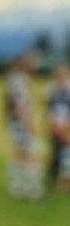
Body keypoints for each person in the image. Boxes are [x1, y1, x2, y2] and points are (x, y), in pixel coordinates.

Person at [4, 54, 43, 201]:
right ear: (24, 66)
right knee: (35, 155)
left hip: (15, 126)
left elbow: (7, 106)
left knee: (19, 156)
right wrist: (29, 125)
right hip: (22, 127)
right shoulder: (20, 83)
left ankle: (17, 188)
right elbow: (21, 107)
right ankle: (33, 190)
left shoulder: (12, 81)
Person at [46, 62, 70, 194]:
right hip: (56, 126)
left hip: (66, 126)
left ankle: (64, 183)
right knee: (57, 155)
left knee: (65, 155)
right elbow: (52, 111)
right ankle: (54, 182)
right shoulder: (52, 91)